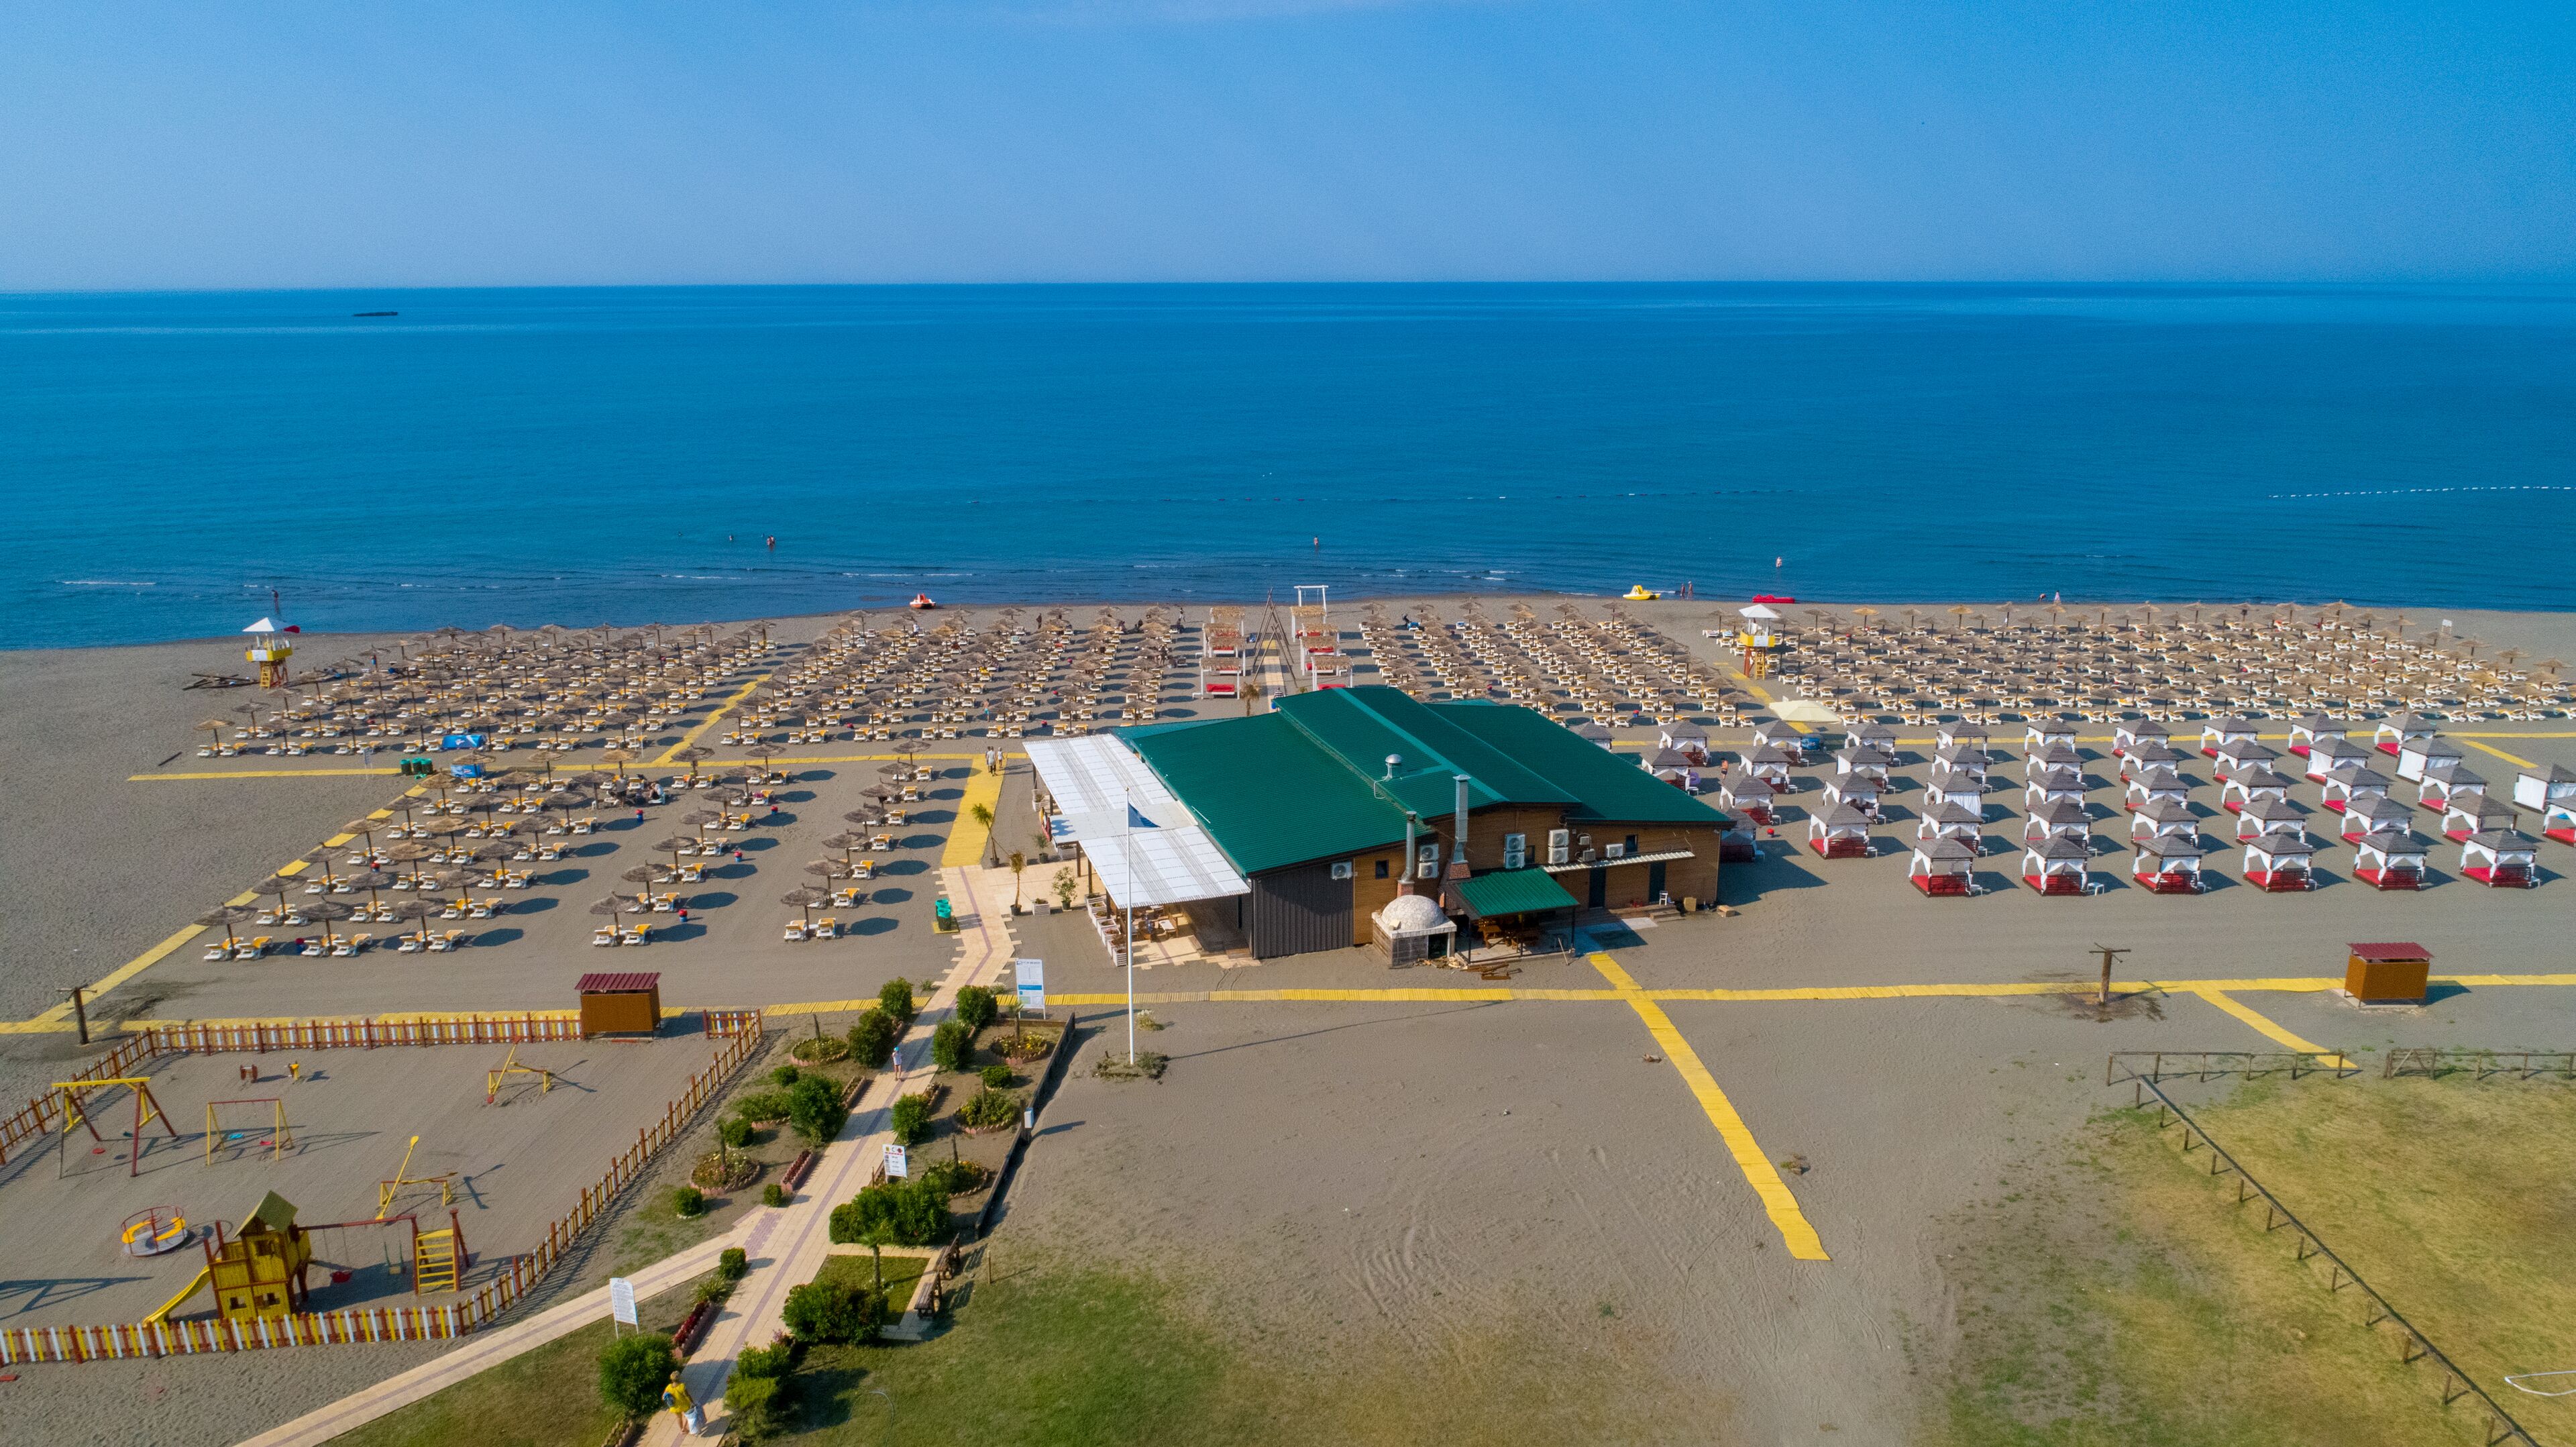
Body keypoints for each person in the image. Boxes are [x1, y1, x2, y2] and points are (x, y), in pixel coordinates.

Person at [664, 1370, 703, 1436]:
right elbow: (687, 1396)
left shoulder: (669, 1387)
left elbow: (664, 1396)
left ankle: (682, 1430)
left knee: (679, 1418)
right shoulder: (682, 1386)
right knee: (688, 1417)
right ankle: (685, 1428)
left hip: (675, 1406)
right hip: (684, 1405)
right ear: (679, 1378)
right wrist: (692, 1403)